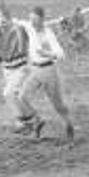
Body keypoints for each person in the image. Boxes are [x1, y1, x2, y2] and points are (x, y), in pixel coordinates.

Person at [18, 7, 75, 142]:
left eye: (35, 19)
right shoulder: (29, 27)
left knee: (58, 105)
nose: (32, 22)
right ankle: (38, 120)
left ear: (42, 20)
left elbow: (61, 54)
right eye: (31, 19)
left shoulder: (48, 34)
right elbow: (16, 21)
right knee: (22, 97)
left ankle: (69, 124)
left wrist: (47, 54)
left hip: (49, 71)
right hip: (35, 70)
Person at [0, 8, 39, 135]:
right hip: (7, 69)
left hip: (21, 67)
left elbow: (29, 32)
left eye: (4, 21)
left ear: (10, 20)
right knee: (16, 96)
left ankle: (23, 122)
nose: (2, 24)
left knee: (8, 94)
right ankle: (34, 120)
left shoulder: (18, 28)